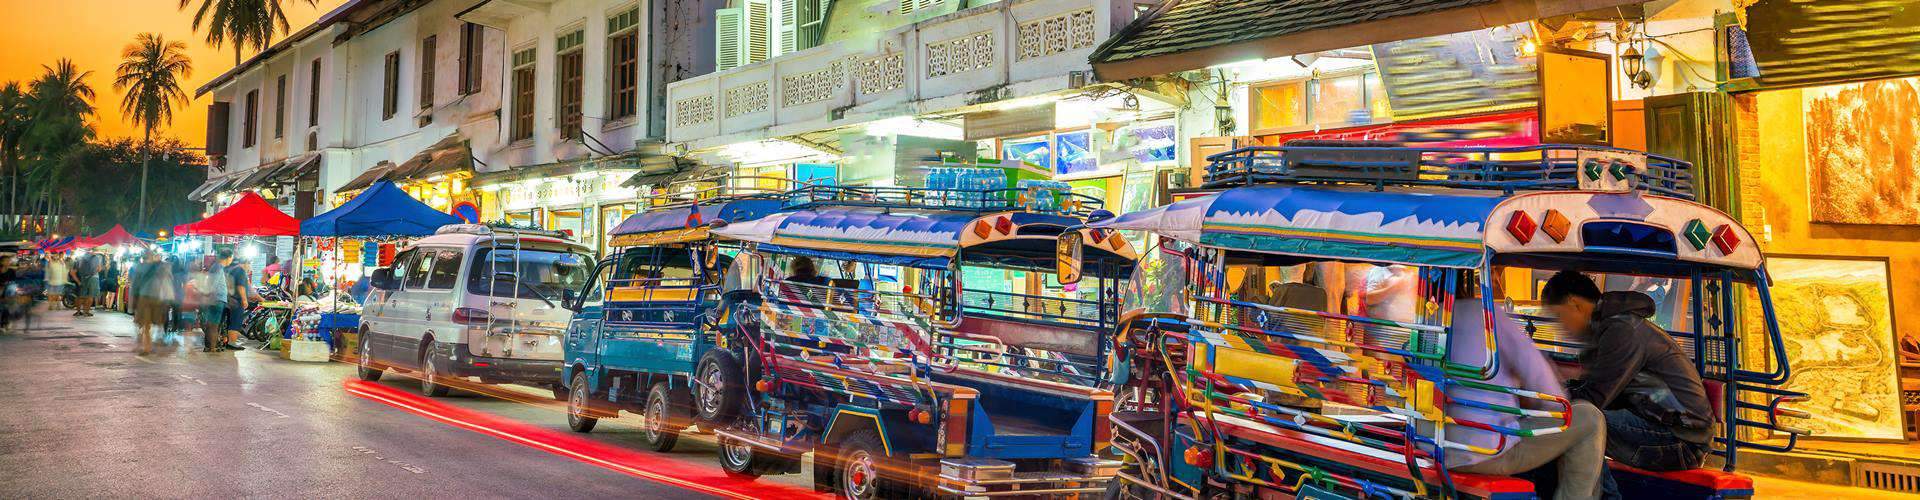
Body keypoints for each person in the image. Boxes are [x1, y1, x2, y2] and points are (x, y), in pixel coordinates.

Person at [1446, 276, 1609, 500]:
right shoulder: (1486, 314)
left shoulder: (1427, 320)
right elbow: (1545, 385)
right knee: (1589, 417)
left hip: (1432, 447)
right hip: (1487, 453)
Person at [1542, 270, 1713, 473]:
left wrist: (1544, 400)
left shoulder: (1622, 331)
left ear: (1574, 304)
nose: (1561, 327)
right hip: (1661, 427)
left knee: (1579, 421)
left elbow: (1595, 398)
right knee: (1575, 418)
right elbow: (1597, 388)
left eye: (1559, 317)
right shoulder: (1608, 329)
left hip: (1681, 442)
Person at [129, 252, 174, 356]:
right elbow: (168, 279)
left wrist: (133, 302)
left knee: (145, 324)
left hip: (145, 297)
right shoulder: (160, 267)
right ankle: (148, 345)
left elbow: (135, 285)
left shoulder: (140, 267)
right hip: (157, 298)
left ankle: (146, 347)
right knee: (152, 323)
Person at [193, 256, 228, 352]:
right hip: (217, 299)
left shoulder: (210, 271)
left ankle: (209, 346)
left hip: (210, 300)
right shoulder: (218, 268)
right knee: (214, 325)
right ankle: (212, 347)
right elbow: (213, 286)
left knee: (209, 324)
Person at [218, 248, 250, 351]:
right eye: (249, 264)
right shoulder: (240, 270)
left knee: (225, 321)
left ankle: (223, 340)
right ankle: (232, 343)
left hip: (225, 299)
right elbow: (241, 286)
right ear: (245, 263)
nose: (249, 267)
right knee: (235, 322)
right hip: (236, 301)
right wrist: (245, 300)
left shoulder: (227, 268)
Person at [71, 251, 100, 316]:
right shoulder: (96, 258)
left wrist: (78, 281)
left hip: (83, 279)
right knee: (90, 296)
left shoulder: (79, 259)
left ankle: (78, 312)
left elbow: (72, 272)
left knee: (80, 296)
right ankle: (86, 312)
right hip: (94, 278)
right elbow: (99, 269)